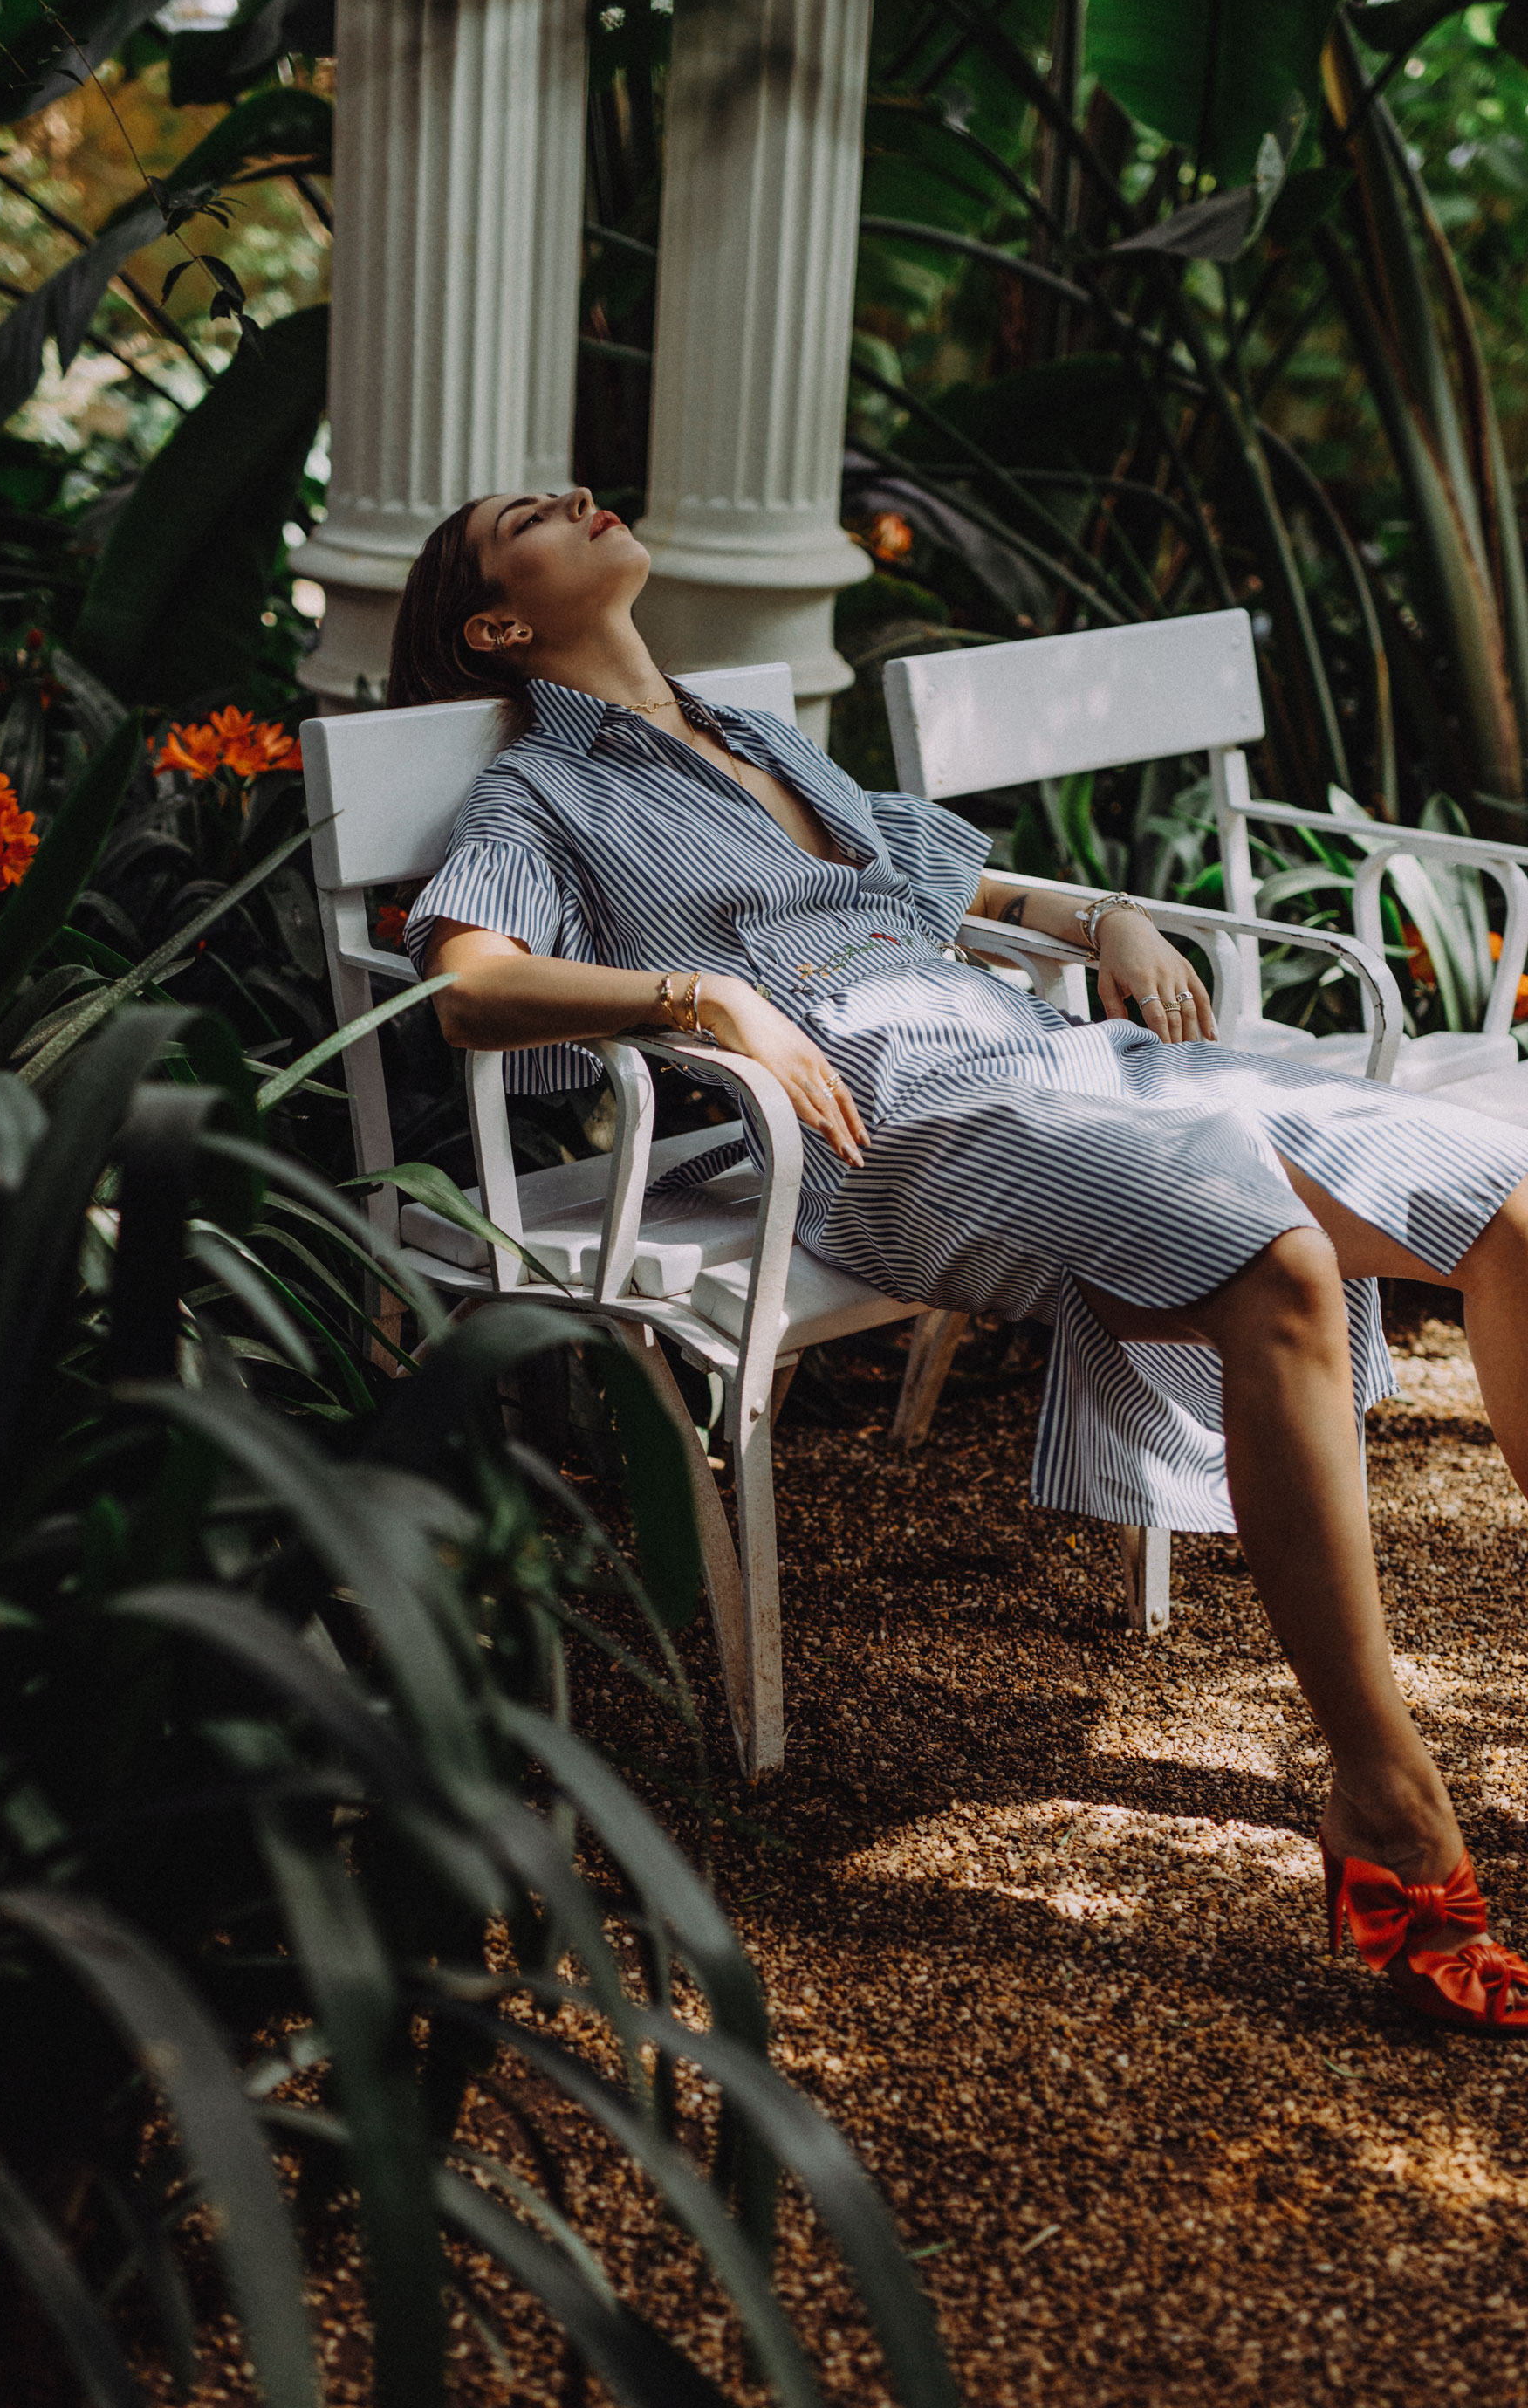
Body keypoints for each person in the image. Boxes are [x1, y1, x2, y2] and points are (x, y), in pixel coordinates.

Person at [389, 484, 1528, 2035]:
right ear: (499, 625)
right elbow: (472, 989)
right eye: (532, 514)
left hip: (1055, 1052)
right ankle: (1386, 1797)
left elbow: (937, 886)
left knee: (1506, 1210)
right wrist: (699, 1003)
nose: (582, 495)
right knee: (1278, 1268)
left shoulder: (755, 735)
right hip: (900, 1116)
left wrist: (1103, 911)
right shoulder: (540, 797)